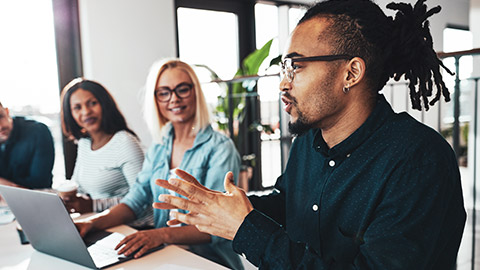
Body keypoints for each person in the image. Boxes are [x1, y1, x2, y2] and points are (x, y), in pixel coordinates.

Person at [154, 0, 466, 269]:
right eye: (284, 68)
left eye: (296, 66)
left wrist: (247, 229)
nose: (283, 84)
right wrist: (223, 208)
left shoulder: (418, 160)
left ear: (351, 73)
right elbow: (289, 205)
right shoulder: (309, 140)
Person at [75, 59, 243, 269]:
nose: (174, 99)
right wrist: (92, 223)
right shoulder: (160, 147)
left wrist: (160, 234)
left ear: (196, 92)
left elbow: (220, 224)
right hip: (168, 255)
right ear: (155, 99)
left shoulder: (220, 148)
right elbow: (135, 201)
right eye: (164, 92)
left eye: (182, 89)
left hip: (209, 261)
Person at [60, 79, 147, 218]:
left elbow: (142, 200)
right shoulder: (84, 143)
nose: (86, 112)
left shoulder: (124, 142)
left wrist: (93, 205)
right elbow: (80, 186)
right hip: (99, 222)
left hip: (133, 227)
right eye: (77, 107)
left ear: (104, 105)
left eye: (92, 103)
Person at [0, 101, 54, 189]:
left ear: (6, 112)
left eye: (0, 116)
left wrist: (3, 184)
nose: (0, 126)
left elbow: (40, 184)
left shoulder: (38, 132)